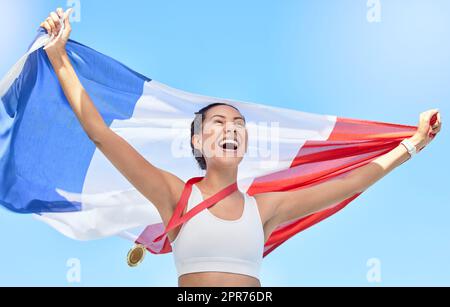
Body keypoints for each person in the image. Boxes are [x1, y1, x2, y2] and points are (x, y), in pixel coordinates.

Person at [40, 8, 442, 287]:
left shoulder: (265, 209)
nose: (231, 128)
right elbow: (101, 134)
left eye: (239, 124)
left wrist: (412, 144)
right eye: (218, 122)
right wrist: (59, 59)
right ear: (198, 140)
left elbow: (350, 184)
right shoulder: (173, 195)